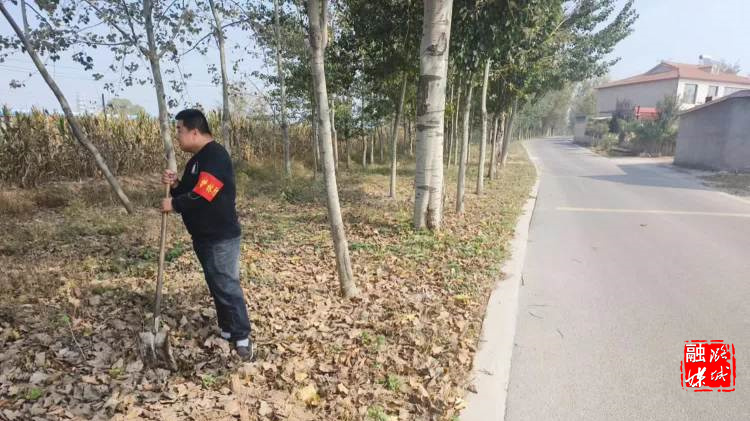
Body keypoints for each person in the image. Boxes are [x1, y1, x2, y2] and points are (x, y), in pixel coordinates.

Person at [160, 109, 253, 360]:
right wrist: (176, 185)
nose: (177, 135)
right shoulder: (196, 161)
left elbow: (205, 194)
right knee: (216, 285)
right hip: (203, 236)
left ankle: (242, 337)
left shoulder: (215, 156)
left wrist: (174, 204)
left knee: (227, 285)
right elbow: (190, 191)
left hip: (220, 236)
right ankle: (227, 329)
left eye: (179, 130)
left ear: (194, 132)